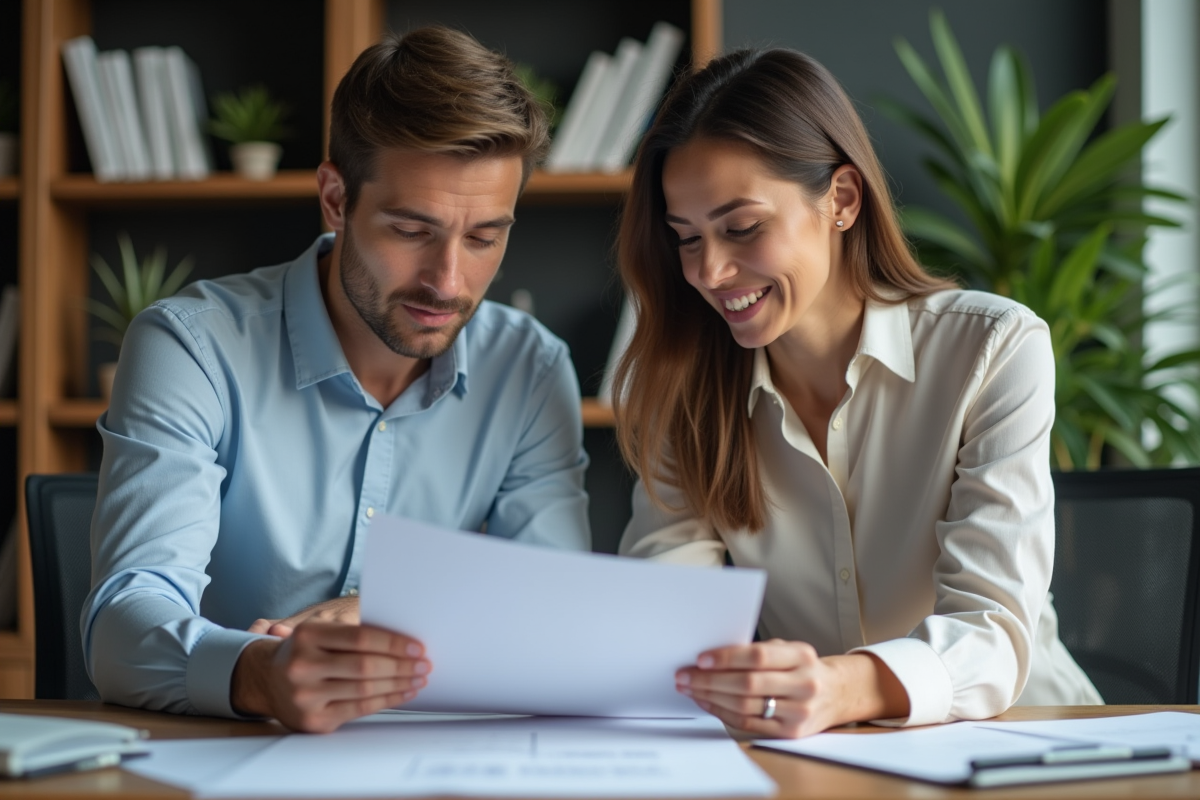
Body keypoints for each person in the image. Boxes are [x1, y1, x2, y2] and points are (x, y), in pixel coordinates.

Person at [82, 27, 590, 733]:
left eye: (483, 237)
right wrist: (261, 674)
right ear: (334, 198)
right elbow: (122, 627)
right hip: (227, 751)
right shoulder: (191, 347)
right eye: (411, 230)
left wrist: (399, 618)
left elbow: (558, 613)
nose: (448, 282)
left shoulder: (529, 368)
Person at [614, 47, 1101, 739]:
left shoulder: (993, 350)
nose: (710, 271)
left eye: (742, 228)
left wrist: (840, 687)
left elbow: (990, 631)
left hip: (1031, 743)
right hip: (823, 756)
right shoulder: (684, 390)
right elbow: (668, 618)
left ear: (841, 199)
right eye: (686, 238)